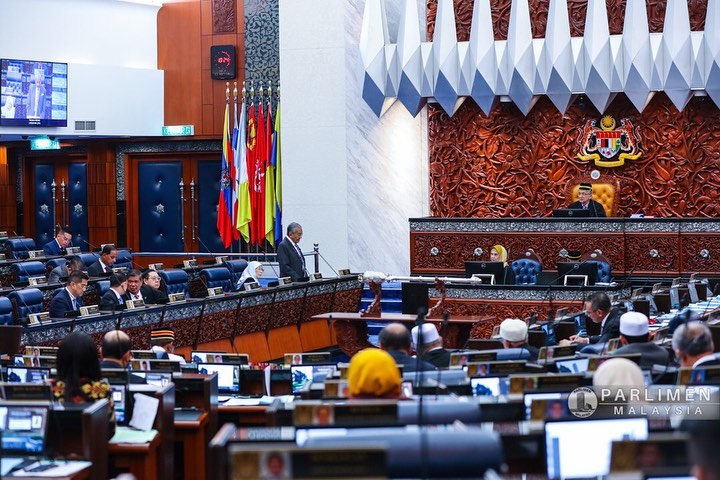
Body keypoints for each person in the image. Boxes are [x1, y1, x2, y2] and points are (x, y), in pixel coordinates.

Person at [50, 332, 115, 437]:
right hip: (93, 451)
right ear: (93, 360)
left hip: (55, 452)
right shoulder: (101, 389)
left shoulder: (49, 389)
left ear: (60, 359)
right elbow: (110, 430)